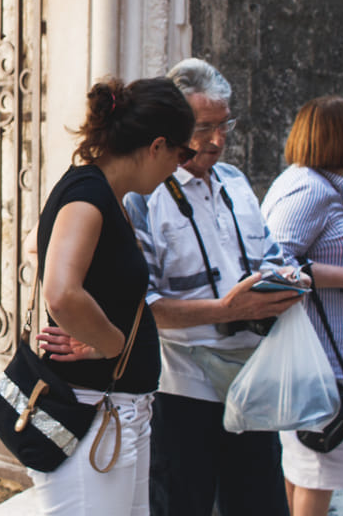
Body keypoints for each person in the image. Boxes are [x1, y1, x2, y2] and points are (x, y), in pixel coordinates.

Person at [124, 58, 301, 516]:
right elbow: (141, 306)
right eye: (204, 128)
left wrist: (288, 280)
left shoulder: (237, 182)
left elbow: (273, 255)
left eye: (226, 126)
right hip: (183, 391)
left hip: (253, 379)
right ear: (174, 125)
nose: (218, 140)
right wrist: (227, 310)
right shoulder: (145, 195)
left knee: (261, 504)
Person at [29, 76, 194, 514]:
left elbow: (35, 245)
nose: (180, 166)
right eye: (183, 153)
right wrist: (110, 342)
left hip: (117, 410)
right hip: (91, 412)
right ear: (158, 145)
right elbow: (61, 292)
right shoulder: (89, 195)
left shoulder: (105, 194)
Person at [261, 96, 343, 516]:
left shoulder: (321, 186)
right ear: (340, 136)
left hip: (323, 359)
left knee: (305, 469)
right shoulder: (308, 189)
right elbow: (274, 265)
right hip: (316, 363)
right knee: (319, 469)